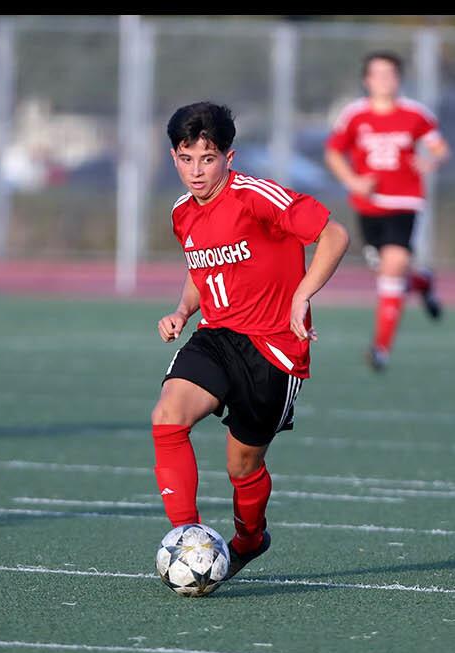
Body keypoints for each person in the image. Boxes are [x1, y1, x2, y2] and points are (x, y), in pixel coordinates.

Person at [150, 102, 350, 582]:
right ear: (174, 158)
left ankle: (249, 539)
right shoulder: (182, 213)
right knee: (167, 417)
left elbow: (334, 234)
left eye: (207, 158)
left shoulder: (255, 196)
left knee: (242, 465)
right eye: (185, 158)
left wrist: (303, 295)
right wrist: (182, 310)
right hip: (216, 336)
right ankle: (187, 539)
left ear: (229, 157)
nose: (196, 171)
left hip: (274, 349)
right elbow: (202, 268)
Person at [325, 51, 450, 371]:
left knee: (393, 266)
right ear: (367, 80)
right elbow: (334, 153)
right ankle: (421, 283)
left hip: (404, 203)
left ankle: (380, 348)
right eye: (377, 74)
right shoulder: (354, 115)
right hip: (368, 207)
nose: (384, 80)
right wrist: (353, 181)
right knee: (389, 271)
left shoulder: (414, 114)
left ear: (399, 79)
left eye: (390, 74)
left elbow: (439, 148)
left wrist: (429, 160)